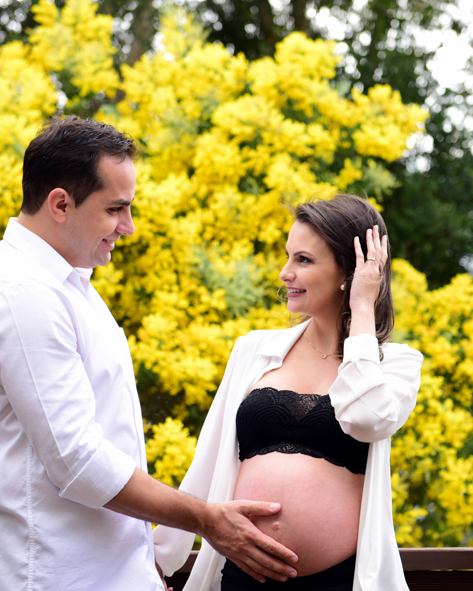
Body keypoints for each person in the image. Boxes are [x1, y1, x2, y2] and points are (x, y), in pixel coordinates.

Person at [0, 117, 298, 591]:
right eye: (116, 208)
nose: (129, 227)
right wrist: (206, 520)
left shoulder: (69, 283)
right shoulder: (23, 295)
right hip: (48, 575)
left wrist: (145, 565)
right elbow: (77, 460)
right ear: (60, 203)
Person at [153, 194, 424, 590]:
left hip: (337, 583)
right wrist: (160, 561)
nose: (284, 273)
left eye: (303, 260)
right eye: (288, 257)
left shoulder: (395, 364)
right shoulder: (254, 349)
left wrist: (362, 307)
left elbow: (366, 418)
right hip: (241, 576)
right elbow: (206, 461)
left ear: (349, 271)